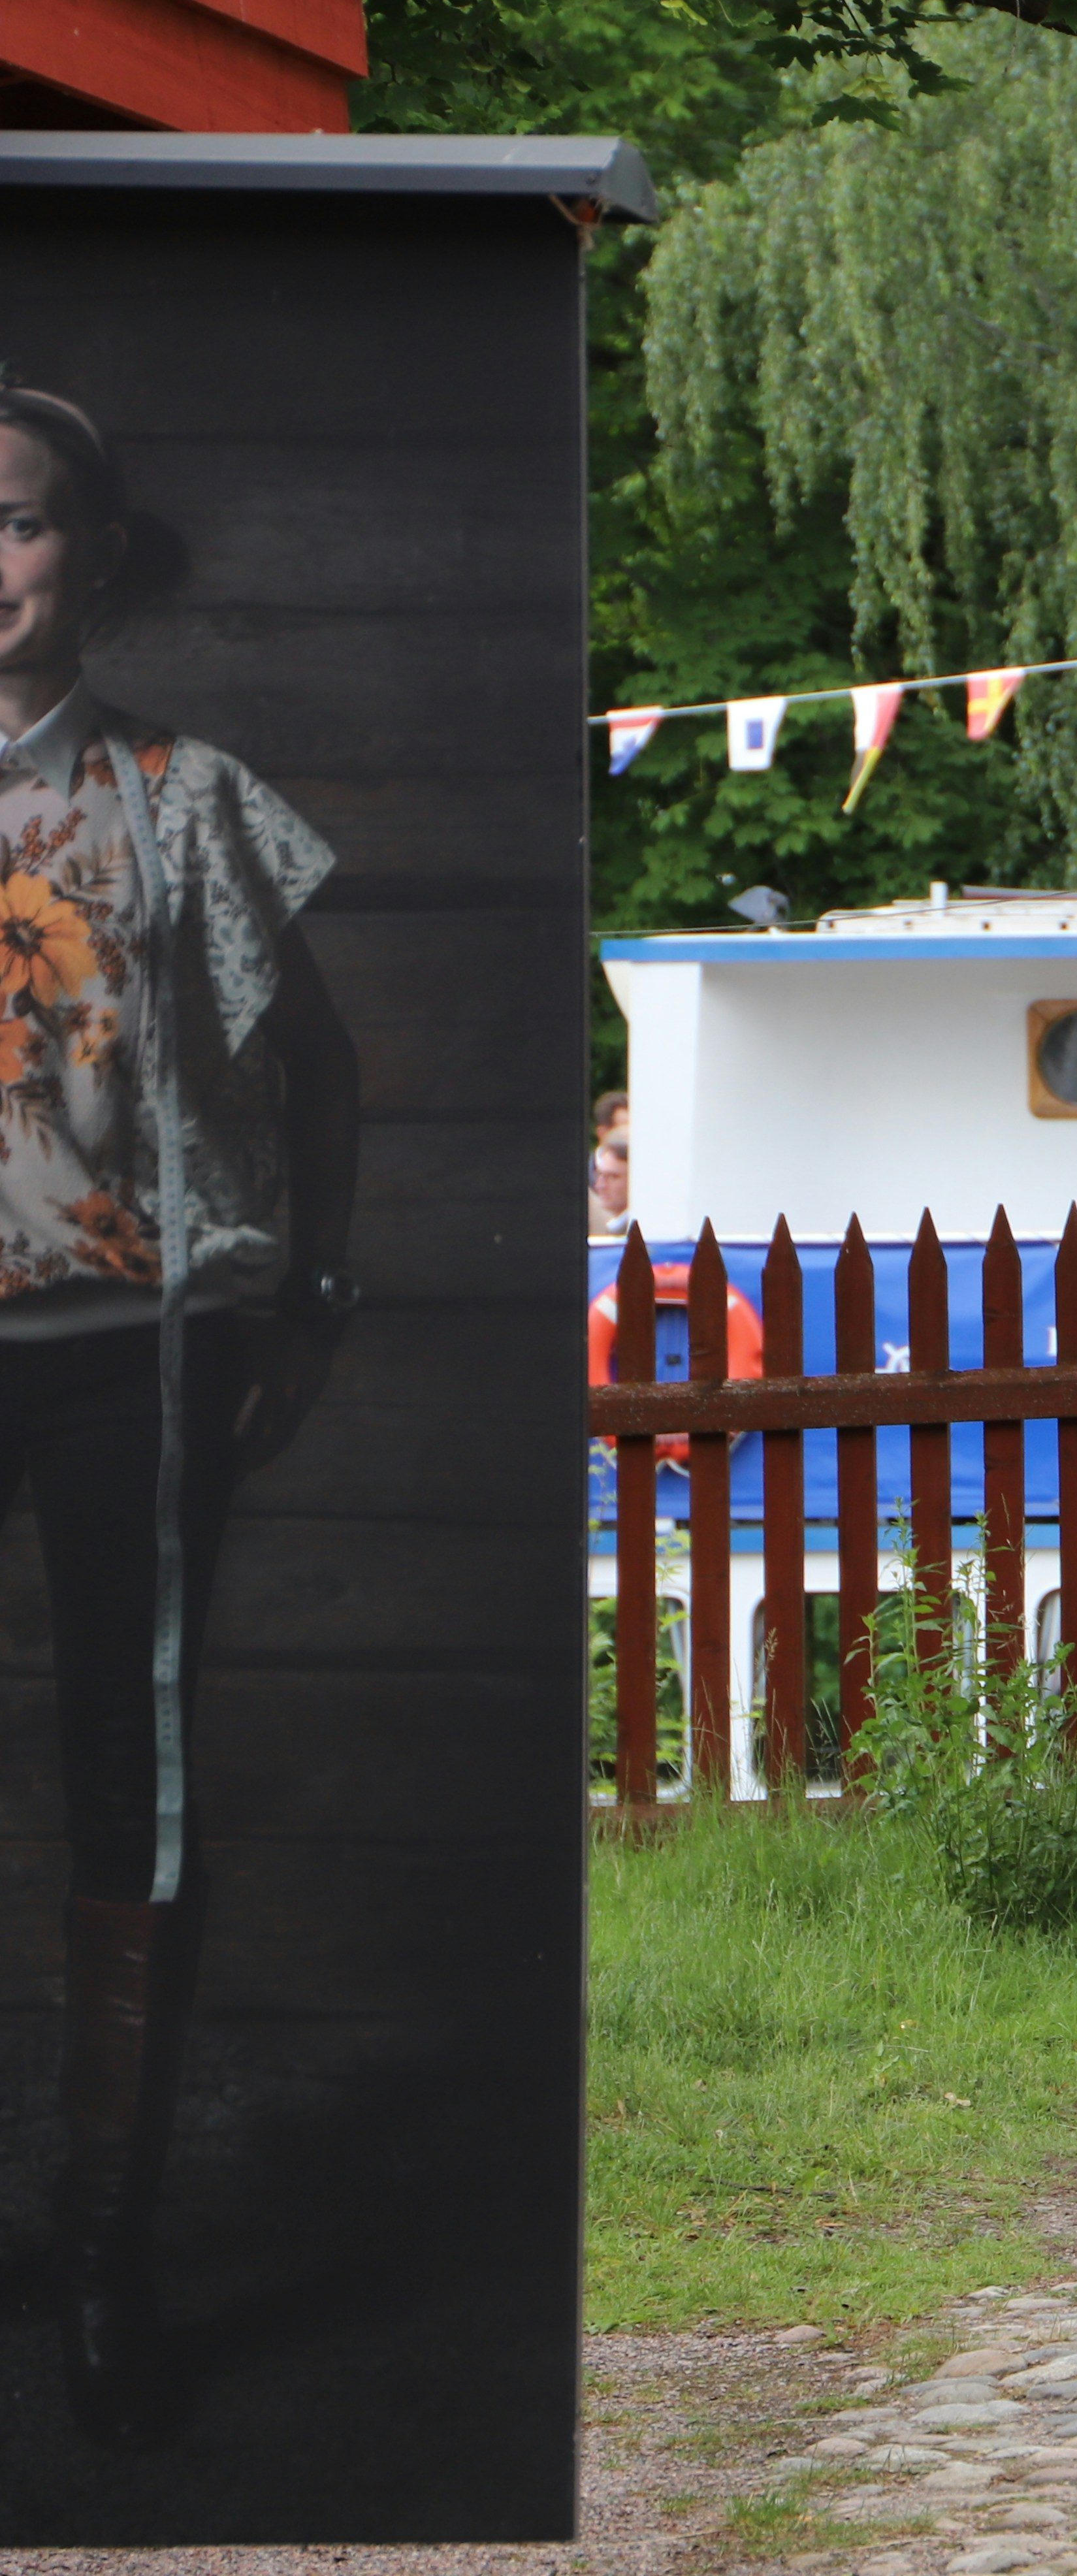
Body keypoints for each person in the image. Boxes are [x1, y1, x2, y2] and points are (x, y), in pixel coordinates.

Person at [0, 379, 357, 2446]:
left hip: (131, 1357)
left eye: (26, 523)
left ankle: (108, 2252)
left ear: (101, 556)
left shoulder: (182, 795)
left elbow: (319, 1070)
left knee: (132, 1775)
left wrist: (314, 1293)